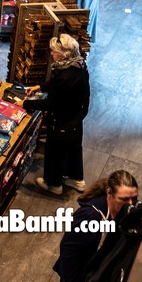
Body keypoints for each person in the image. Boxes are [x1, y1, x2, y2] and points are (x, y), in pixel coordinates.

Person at [53, 170, 138, 282]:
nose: (130, 205)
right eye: (124, 199)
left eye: (134, 199)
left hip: (94, 280)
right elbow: (68, 252)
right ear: (109, 194)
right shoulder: (89, 217)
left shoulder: (121, 213)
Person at [20, 34, 90, 195]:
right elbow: (57, 85)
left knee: (55, 152)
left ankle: (53, 184)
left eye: (54, 52)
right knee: (72, 149)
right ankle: (77, 180)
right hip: (75, 117)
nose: (51, 54)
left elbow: (51, 103)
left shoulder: (65, 76)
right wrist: (39, 87)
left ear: (64, 53)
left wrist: (25, 103)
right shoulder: (78, 65)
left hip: (62, 120)